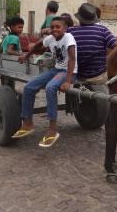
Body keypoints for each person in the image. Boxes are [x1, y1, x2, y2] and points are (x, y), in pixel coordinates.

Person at [70, 3, 117, 126]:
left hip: (77, 75)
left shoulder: (71, 31)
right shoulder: (102, 30)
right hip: (98, 76)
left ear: (79, 18)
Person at [12, 16, 77, 148]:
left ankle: (53, 129)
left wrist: (68, 81)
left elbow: (72, 58)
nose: (54, 29)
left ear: (65, 28)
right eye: (52, 27)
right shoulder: (51, 39)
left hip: (69, 72)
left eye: (58, 27)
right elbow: (38, 44)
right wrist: (27, 56)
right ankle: (28, 123)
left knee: (50, 88)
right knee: (29, 87)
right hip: (57, 70)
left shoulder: (68, 37)